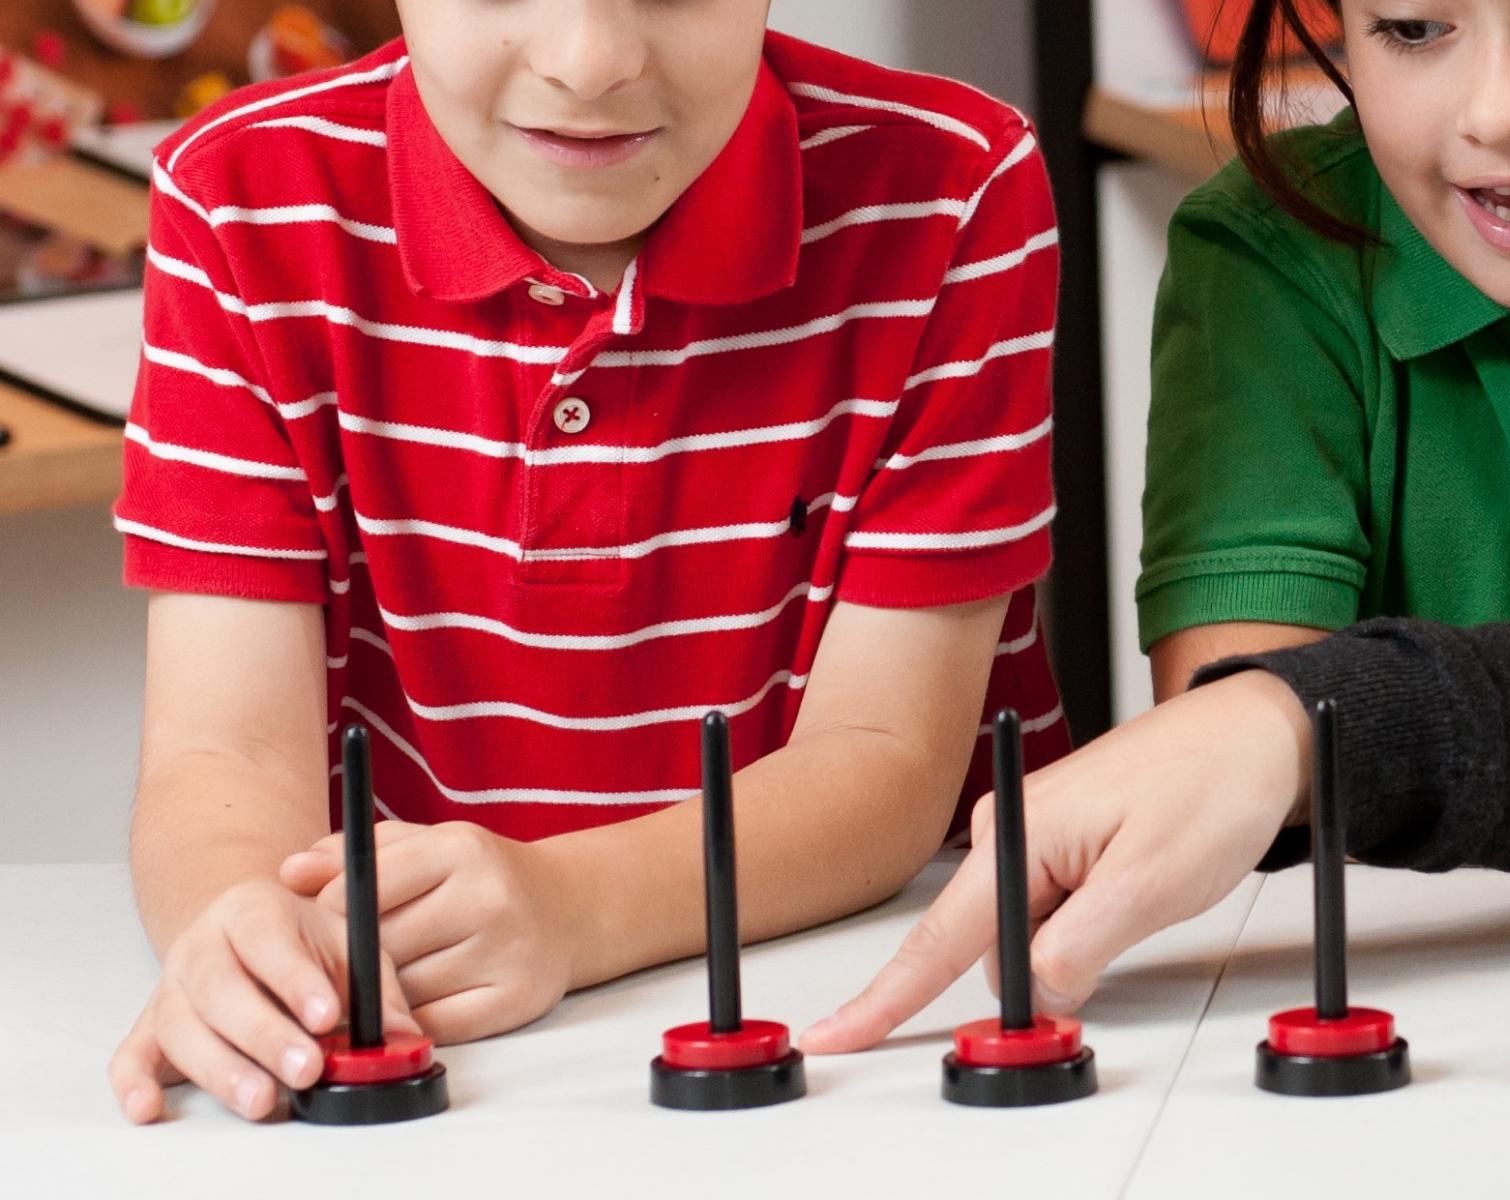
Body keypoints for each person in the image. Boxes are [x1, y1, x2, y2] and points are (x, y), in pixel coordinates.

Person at [107, 0, 1068, 1123]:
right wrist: (241, 933)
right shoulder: (236, 197)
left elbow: (888, 761)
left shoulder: (955, 188)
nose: (589, 62)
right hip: (437, 1046)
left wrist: (571, 905)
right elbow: (221, 754)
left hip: (858, 1032)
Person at [800, 0, 1510, 1056]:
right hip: (1436, 1029)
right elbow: (1241, 766)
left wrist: (1336, 721)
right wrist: (1279, 731)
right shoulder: (1269, 254)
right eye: (1413, 29)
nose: (1503, 114)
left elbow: (1293, 733)